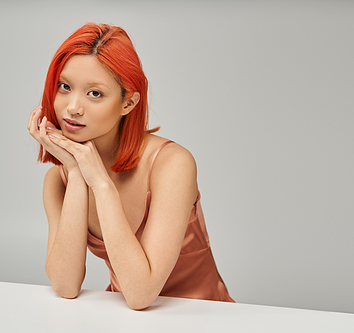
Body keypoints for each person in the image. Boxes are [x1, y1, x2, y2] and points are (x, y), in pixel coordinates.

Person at [27, 22, 233, 310]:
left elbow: (141, 295)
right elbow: (65, 285)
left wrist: (100, 183)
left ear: (128, 103)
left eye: (95, 93)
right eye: (64, 86)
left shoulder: (172, 164)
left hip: (204, 316)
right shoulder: (58, 180)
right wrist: (76, 173)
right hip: (126, 319)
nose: (73, 107)